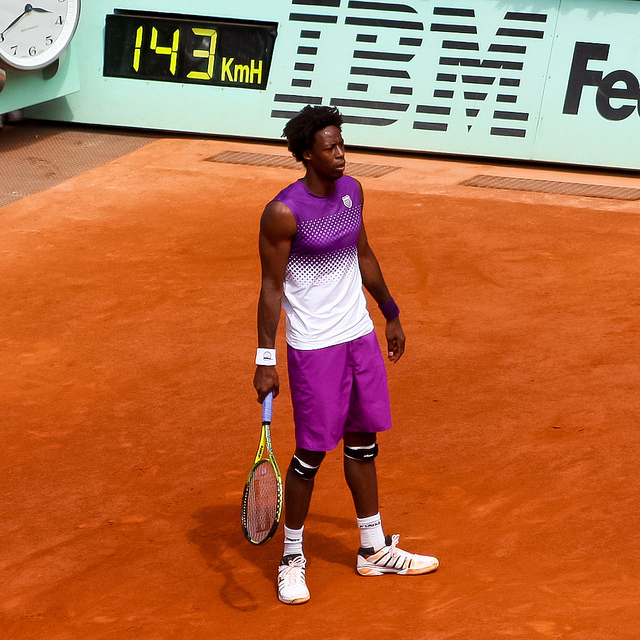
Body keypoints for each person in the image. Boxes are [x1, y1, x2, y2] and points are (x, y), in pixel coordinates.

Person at [253, 105, 439, 605]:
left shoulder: (353, 191)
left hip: (358, 336)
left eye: (341, 145)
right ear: (306, 155)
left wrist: (390, 312)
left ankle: (373, 548)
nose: (341, 154)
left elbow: (363, 253)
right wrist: (265, 360)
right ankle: (292, 557)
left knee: (363, 443)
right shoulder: (282, 212)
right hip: (314, 347)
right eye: (330, 148)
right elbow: (271, 288)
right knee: (311, 454)